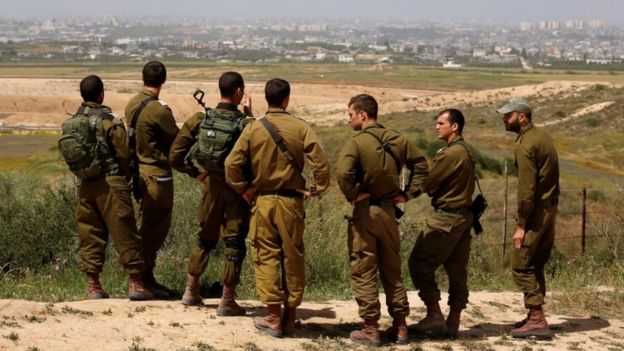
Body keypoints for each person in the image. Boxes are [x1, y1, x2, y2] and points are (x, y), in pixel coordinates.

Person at [224, 78, 330, 338]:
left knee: (266, 255)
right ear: (286, 100)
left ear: (267, 99)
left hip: (263, 202)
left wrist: (244, 189)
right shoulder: (301, 128)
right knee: (293, 257)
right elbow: (321, 165)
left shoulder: (254, 129)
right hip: (292, 202)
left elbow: (231, 165)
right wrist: (314, 190)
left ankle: (273, 317)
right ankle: (290, 319)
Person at [336, 94, 429, 347]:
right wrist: (406, 194)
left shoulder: (356, 143)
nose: (348, 119)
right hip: (389, 212)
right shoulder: (399, 139)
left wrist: (354, 194)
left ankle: (370, 328)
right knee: (392, 269)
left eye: (350, 114)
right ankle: (400, 327)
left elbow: (343, 173)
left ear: (362, 115)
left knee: (364, 268)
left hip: (365, 212)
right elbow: (421, 166)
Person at [60, 75, 152, 301]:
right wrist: (128, 177)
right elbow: (124, 153)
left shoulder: (71, 123)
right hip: (111, 183)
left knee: (89, 233)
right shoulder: (108, 121)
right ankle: (136, 284)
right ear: (101, 94)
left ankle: (93, 286)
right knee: (125, 231)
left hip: (85, 186)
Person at [169, 71, 254, 315]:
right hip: (238, 191)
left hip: (211, 188)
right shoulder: (246, 125)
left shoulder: (201, 119)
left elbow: (175, 155)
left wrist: (196, 173)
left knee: (204, 239)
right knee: (234, 244)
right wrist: (249, 114)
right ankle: (227, 301)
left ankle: (190, 291)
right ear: (239, 92)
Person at [407, 108, 475, 339]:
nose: (437, 127)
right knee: (457, 270)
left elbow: (428, 181)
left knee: (418, 263)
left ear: (454, 126)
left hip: (446, 218)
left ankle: (434, 315)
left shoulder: (450, 154)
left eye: (441, 123)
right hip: (464, 218)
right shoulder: (465, 150)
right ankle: (453, 321)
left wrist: (410, 192)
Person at [496, 97, 559, 339]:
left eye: (508, 115)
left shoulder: (525, 145)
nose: (504, 119)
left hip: (535, 211)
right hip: (548, 208)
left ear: (522, 117)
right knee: (536, 262)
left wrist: (520, 224)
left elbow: (526, 189)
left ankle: (536, 318)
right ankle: (535, 314)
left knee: (520, 263)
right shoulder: (542, 137)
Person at [125, 61, 180, 298]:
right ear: (164, 80)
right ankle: (141, 280)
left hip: (139, 173)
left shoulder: (132, 104)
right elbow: (178, 141)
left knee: (146, 225)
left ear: (142, 78)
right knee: (154, 229)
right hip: (158, 176)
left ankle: (145, 279)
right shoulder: (158, 110)